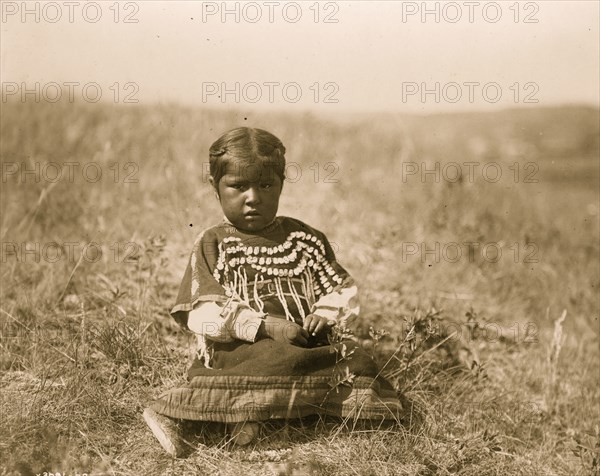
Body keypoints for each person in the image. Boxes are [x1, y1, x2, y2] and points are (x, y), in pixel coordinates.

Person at [143, 127, 402, 457]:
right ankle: (180, 414)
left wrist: (323, 314)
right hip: (243, 347)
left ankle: (266, 412)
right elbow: (202, 313)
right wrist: (265, 326)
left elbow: (341, 289)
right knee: (271, 358)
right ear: (215, 188)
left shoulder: (304, 239)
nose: (254, 197)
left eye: (266, 185)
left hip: (305, 342)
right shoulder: (214, 243)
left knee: (356, 359)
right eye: (238, 186)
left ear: (281, 183)